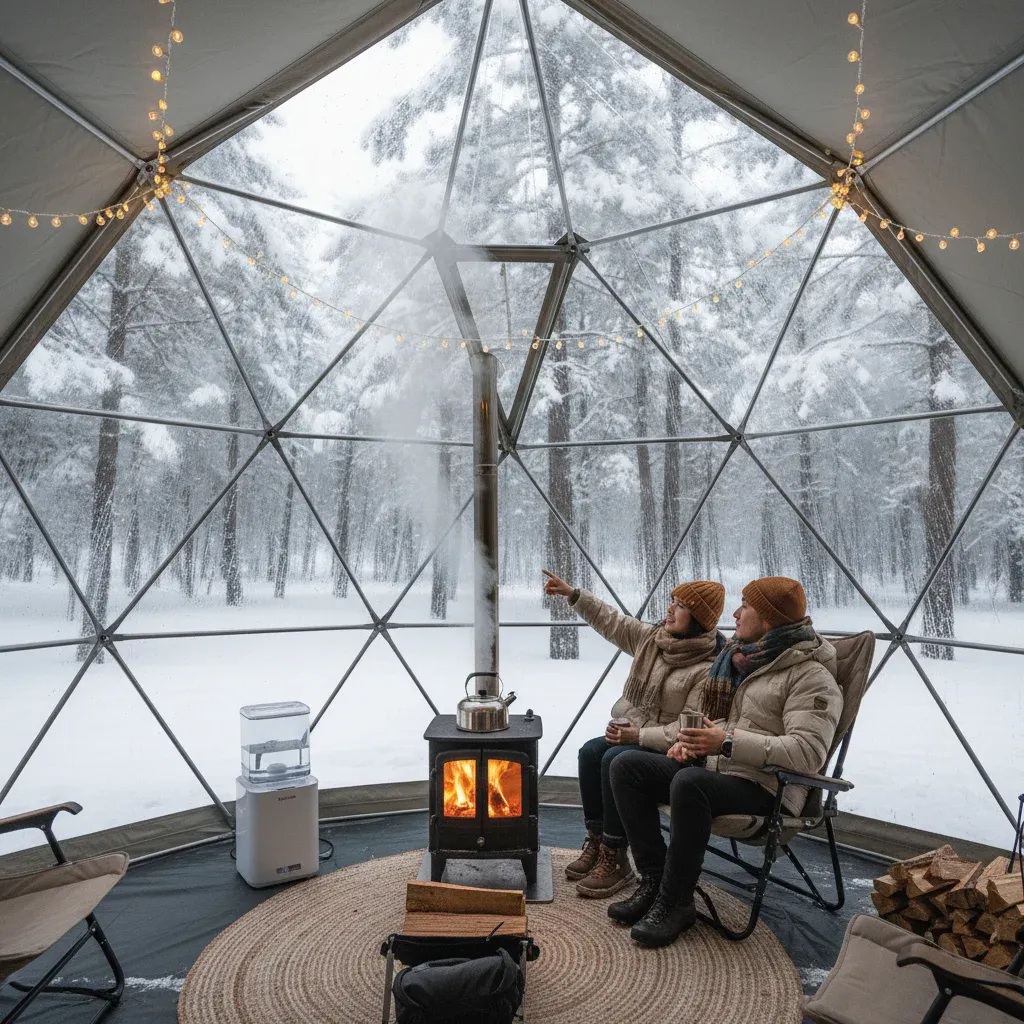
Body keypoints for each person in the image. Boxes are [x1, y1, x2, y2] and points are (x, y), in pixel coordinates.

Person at [607, 575, 843, 947]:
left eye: (745, 606)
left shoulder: (811, 676)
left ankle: (676, 901)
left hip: (766, 786)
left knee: (688, 784)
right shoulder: (738, 660)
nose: (734, 612)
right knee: (626, 765)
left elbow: (807, 752)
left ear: (768, 619)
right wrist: (694, 741)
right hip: (720, 768)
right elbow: (724, 721)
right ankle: (654, 881)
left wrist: (726, 742)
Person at [541, 568, 725, 898]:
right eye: (671, 600)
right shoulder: (653, 641)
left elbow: (689, 729)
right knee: (590, 752)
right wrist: (573, 595)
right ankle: (597, 841)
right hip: (638, 739)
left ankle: (615, 855)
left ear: (698, 618)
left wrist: (638, 736)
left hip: (674, 753)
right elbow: (613, 622)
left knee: (614, 756)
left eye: (680, 605)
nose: (669, 608)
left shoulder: (709, 666)